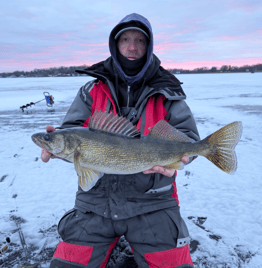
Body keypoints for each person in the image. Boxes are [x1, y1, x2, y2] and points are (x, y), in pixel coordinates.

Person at [43, 13, 200, 268]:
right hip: (95, 202)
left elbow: (189, 138)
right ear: (114, 44)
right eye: (125, 39)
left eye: (140, 40)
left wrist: (185, 156)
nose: (132, 47)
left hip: (154, 202)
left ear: (149, 46)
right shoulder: (91, 90)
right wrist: (58, 142)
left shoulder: (169, 93)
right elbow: (72, 128)